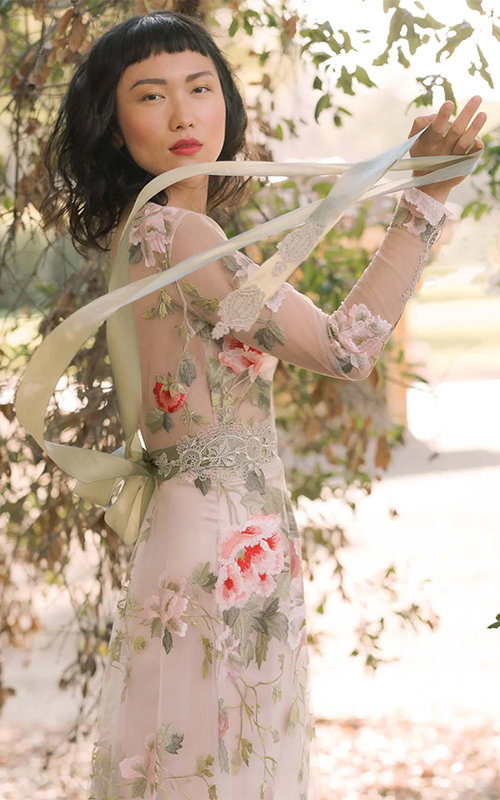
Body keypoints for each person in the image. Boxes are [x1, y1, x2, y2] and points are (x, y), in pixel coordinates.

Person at [35, 10, 486, 800]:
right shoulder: (179, 233)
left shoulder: (145, 233)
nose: (182, 114)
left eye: (200, 87)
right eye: (150, 95)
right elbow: (346, 348)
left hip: (211, 528)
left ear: (226, 105)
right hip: (220, 539)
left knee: (206, 762)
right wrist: (429, 200)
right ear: (113, 128)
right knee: (230, 769)